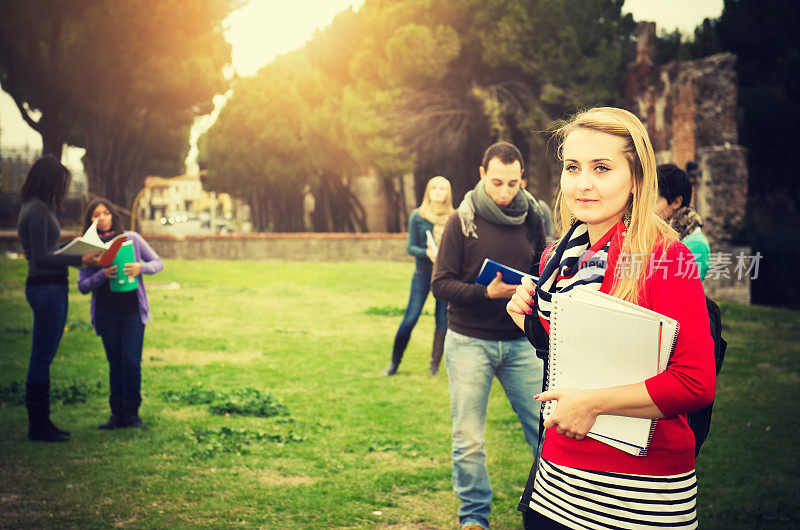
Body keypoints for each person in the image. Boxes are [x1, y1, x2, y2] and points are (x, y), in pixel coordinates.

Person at [507, 107, 715, 529]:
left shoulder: (666, 257)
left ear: (636, 178)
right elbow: (572, 357)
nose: (582, 183)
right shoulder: (557, 254)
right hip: (556, 480)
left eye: (602, 168)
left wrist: (593, 403)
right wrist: (527, 319)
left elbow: (696, 383)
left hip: (638, 493)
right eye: (572, 167)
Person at [431, 141, 547, 530]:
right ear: (482, 174)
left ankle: (554, 512)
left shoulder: (535, 216)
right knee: (469, 438)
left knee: (546, 432)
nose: (504, 192)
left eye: (513, 184)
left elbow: (545, 270)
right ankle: (474, 517)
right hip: (469, 341)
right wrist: (488, 293)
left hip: (521, 343)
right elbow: (440, 285)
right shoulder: (460, 220)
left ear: (522, 180)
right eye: (497, 182)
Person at [17, 155, 101, 442]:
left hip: (48, 285)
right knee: (42, 357)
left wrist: (79, 256)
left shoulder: (36, 207)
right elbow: (41, 256)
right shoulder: (38, 210)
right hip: (46, 288)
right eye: (60, 183)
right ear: (48, 181)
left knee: (44, 356)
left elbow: (49, 250)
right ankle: (38, 426)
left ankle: (42, 423)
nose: (62, 190)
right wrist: (77, 256)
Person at [77, 198, 163, 430]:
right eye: (96, 214)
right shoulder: (87, 248)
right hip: (106, 314)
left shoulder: (131, 239)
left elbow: (158, 263)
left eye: (106, 213)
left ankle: (132, 415)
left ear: (113, 215)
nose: (102, 218)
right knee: (115, 364)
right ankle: (116, 416)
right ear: (90, 220)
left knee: (132, 364)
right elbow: (82, 286)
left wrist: (140, 268)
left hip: (132, 313)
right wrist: (102, 275)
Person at [384, 176, 454, 376]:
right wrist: (428, 254)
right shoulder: (418, 216)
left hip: (444, 275)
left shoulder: (453, 217)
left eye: (442, 188)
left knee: (442, 320)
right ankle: (394, 363)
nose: (438, 191)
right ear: (427, 192)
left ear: (448, 193)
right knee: (410, 317)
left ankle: (434, 367)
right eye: (434, 187)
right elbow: (411, 247)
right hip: (422, 274)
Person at [656, 163, 711, 280]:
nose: (646, 207)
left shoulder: (696, 245)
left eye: (654, 201)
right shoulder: (655, 233)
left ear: (676, 202)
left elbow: (679, 293)